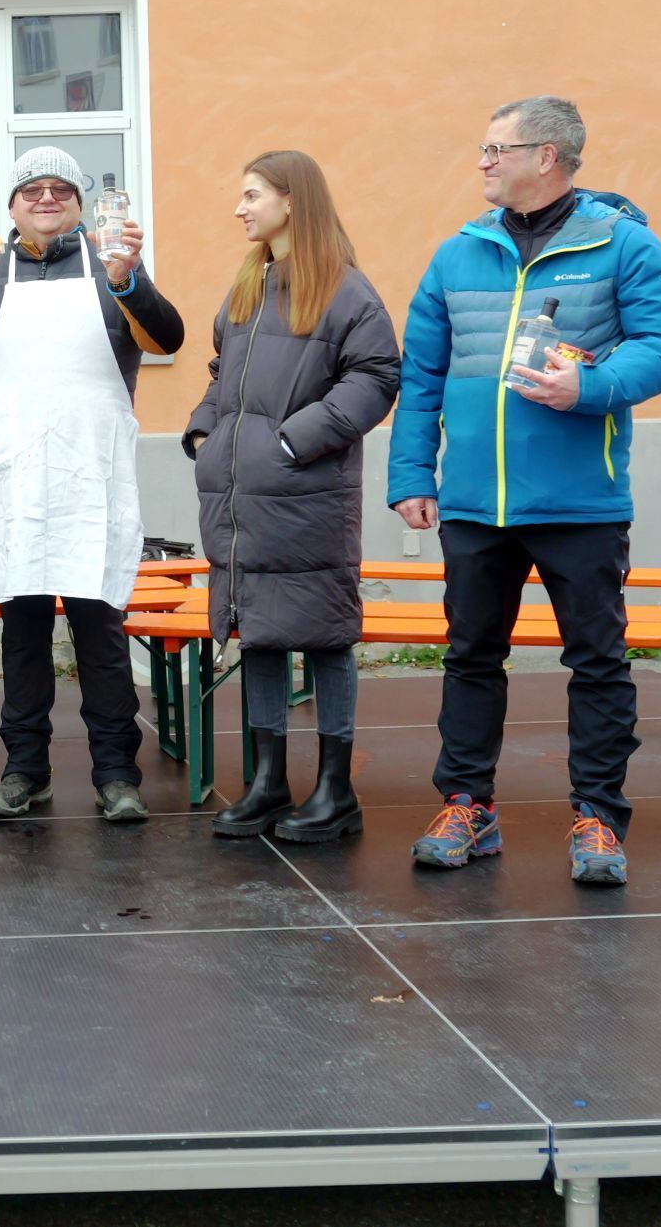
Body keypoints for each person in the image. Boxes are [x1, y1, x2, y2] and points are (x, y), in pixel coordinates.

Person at [388, 96, 661, 886]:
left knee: (597, 661)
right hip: (473, 504)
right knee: (470, 657)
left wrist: (589, 384)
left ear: (547, 157)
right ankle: (468, 805)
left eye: (497, 148)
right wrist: (410, 476)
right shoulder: (457, 253)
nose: (484, 162)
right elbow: (420, 374)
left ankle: (598, 816)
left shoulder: (623, 244)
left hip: (580, 503)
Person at [0, 146, 184, 822]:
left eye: (62, 189)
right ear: (12, 206)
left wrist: (130, 281)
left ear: (82, 205)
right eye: (34, 189)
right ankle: (24, 768)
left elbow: (168, 336)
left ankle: (118, 773)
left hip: (91, 478)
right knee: (21, 631)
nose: (48, 198)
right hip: (13, 480)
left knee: (102, 631)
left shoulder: (112, 270)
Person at [184, 152, 399, 844]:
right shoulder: (250, 284)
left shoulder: (346, 291)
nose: (240, 208)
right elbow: (225, 374)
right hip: (245, 502)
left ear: (291, 201)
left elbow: (376, 377)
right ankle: (269, 781)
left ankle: (336, 790)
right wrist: (205, 431)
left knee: (327, 637)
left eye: (252, 195)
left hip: (308, 495)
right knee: (263, 633)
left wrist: (291, 442)